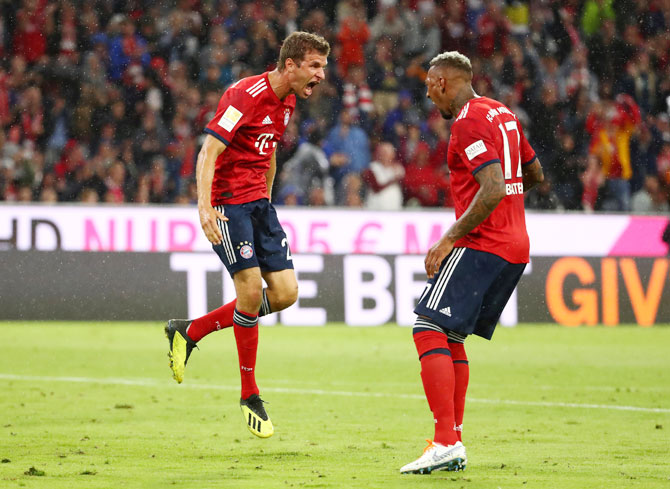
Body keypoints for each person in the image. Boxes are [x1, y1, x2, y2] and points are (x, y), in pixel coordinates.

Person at [165, 31, 330, 439]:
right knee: (252, 291)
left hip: (258, 204)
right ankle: (249, 393)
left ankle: (190, 330)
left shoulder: (289, 101)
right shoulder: (245, 94)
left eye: (323, 66)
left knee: (287, 293)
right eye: (314, 66)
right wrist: (204, 206)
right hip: (227, 203)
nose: (321, 75)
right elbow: (209, 151)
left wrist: (268, 201)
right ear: (289, 65)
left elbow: (268, 149)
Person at [400, 51, 544, 475]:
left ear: (443, 82)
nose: (429, 98)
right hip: (515, 246)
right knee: (451, 335)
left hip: (483, 243)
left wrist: (448, 239)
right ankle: (454, 439)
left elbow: (494, 186)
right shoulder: (504, 114)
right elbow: (533, 174)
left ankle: (445, 440)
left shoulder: (466, 122)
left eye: (429, 88)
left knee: (427, 327)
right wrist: (507, 214)